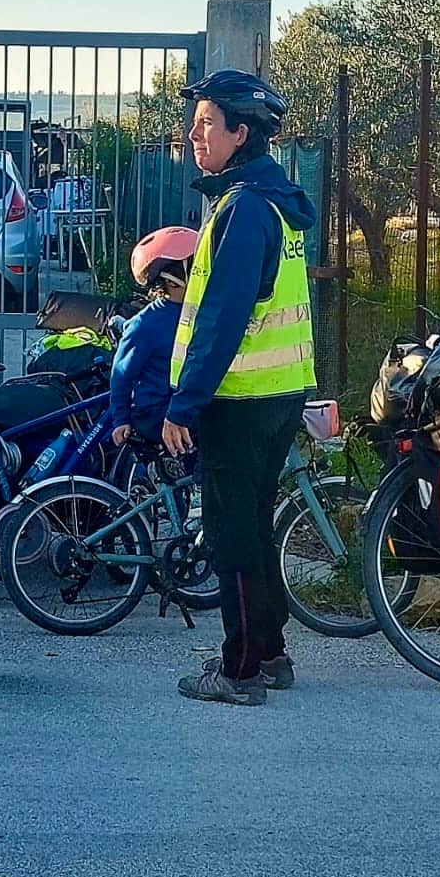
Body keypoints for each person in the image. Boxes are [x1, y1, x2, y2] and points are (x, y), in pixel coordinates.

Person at [162, 70, 316, 707]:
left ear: (240, 133)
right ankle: (270, 653)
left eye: (206, 124)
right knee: (251, 524)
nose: (194, 135)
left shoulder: (246, 208)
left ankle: (240, 669)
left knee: (233, 534)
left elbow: (223, 318)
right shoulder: (272, 199)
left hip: (240, 398)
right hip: (277, 393)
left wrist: (184, 402)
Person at [110, 227, 200, 448]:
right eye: (196, 266)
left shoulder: (200, 311)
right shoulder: (146, 324)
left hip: (183, 404)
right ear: (172, 279)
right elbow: (121, 375)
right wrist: (121, 419)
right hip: (156, 411)